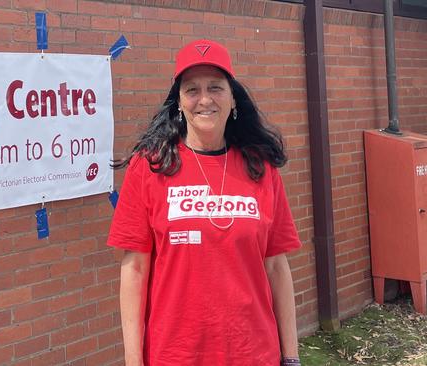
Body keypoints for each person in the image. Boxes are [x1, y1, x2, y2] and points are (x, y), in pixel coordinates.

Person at [107, 39, 302, 366]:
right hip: (175, 354)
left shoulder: (261, 168)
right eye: (192, 89)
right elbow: (135, 269)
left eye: (216, 87)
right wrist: (133, 361)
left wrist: (291, 356)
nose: (205, 99)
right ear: (179, 102)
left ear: (233, 99)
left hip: (253, 353)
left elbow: (276, 267)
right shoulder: (149, 167)